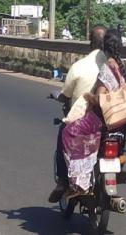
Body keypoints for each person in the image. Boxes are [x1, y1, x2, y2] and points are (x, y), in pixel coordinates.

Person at [48, 25, 108, 202]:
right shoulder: (115, 66)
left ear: (91, 42)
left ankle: (63, 182)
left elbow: (66, 95)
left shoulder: (79, 67)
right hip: (112, 121)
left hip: (86, 121)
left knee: (63, 134)